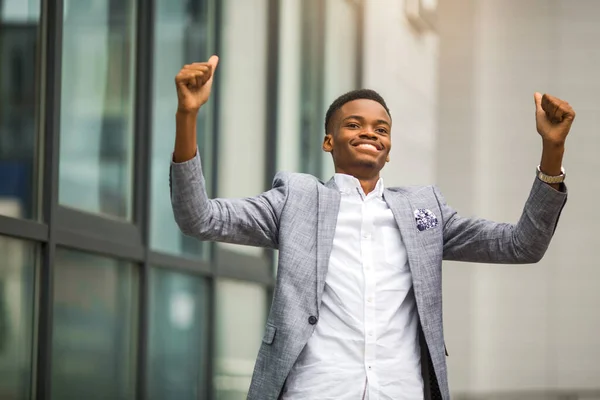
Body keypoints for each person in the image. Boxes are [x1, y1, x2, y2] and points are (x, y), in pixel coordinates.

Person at [169, 56, 573, 400]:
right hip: (317, 390)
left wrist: (551, 151)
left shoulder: (423, 210)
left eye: (381, 129)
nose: (369, 133)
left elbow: (522, 245)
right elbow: (199, 218)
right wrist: (187, 116)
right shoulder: (296, 199)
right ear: (329, 141)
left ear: (390, 148)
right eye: (354, 125)